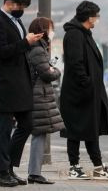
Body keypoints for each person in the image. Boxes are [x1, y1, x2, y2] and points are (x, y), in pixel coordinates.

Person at [0, 0, 44, 187]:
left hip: (20, 84)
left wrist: (30, 41)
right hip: (5, 85)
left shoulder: (17, 21)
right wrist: (25, 42)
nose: (22, 9)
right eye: (20, 5)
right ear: (9, 2)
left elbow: (20, 49)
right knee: (3, 129)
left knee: (27, 124)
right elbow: (0, 53)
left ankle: (8, 167)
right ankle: (4, 172)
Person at [60, 1, 108, 180]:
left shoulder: (85, 33)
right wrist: (87, 83)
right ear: (89, 17)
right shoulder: (75, 34)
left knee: (91, 130)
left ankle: (98, 166)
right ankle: (74, 166)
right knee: (75, 131)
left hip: (88, 92)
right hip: (78, 93)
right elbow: (76, 63)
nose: (97, 19)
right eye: (96, 16)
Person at [26, 17, 65, 185]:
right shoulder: (38, 50)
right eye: (50, 28)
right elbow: (47, 74)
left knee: (39, 133)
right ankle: (34, 172)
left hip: (39, 94)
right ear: (42, 31)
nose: (52, 32)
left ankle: (34, 171)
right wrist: (56, 70)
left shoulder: (38, 49)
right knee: (38, 134)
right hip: (39, 96)